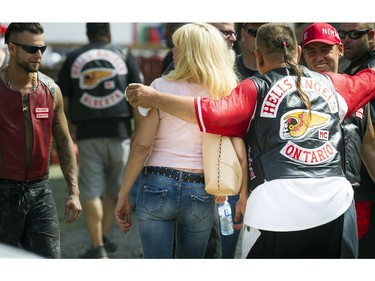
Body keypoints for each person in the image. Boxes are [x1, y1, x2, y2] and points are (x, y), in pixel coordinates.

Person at [125, 22, 375, 258]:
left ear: (258, 57)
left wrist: (156, 98)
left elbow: (211, 112)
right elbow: (369, 79)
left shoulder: (253, 87)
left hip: (273, 206)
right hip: (335, 203)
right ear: (298, 52)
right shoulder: (335, 84)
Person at [114, 22, 248, 258]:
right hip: (200, 187)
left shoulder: (159, 88)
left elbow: (141, 147)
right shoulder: (224, 91)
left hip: (158, 182)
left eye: (177, 47)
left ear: (189, 52)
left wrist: (124, 193)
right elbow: (237, 151)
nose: (172, 52)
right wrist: (239, 193)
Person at [57, 22, 143, 258]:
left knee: (91, 190)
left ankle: (98, 247)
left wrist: (61, 132)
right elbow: (138, 95)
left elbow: (61, 101)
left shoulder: (74, 56)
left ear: (88, 34)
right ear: (109, 33)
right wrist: (140, 130)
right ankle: (101, 239)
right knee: (116, 190)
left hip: (87, 133)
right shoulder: (124, 54)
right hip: (120, 131)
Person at [0, 22, 81, 258]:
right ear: (12, 48)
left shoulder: (51, 90)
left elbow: (65, 142)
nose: (38, 55)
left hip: (40, 189)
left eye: (42, 49)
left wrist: (74, 193)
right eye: (31, 49)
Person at [302, 22, 364, 258]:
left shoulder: (356, 89)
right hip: (306, 198)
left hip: (346, 198)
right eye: (312, 51)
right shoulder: (293, 93)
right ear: (302, 54)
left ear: (339, 50)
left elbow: (367, 144)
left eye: (325, 50)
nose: (319, 58)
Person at [339, 22, 375, 258]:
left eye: (353, 34)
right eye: (342, 34)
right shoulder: (351, 70)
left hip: (366, 186)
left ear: (371, 36)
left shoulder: (368, 73)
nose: (346, 39)